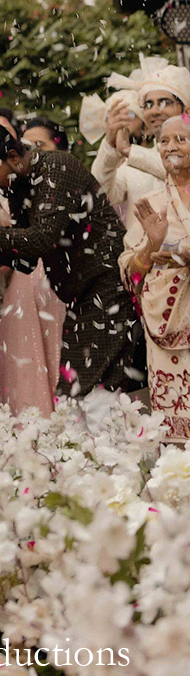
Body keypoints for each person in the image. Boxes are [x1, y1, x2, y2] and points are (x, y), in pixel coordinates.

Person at [0, 121, 144, 399]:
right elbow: (26, 260)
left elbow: (41, 239)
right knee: (74, 394)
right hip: (80, 296)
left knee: (94, 395)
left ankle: (110, 443)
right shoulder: (19, 181)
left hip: (106, 288)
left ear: (14, 157)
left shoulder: (56, 167)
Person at [121, 113, 190, 441]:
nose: (171, 147)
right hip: (167, 323)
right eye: (164, 140)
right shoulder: (152, 205)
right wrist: (150, 246)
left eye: (181, 138)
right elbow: (130, 273)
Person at [0, 121, 66, 414]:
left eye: (41, 146)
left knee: (59, 358)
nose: (32, 154)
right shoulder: (12, 192)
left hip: (60, 285)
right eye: (27, 147)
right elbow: (3, 264)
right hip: (22, 289)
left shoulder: (71, 187)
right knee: (25, 364)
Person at [92, 65, 190, 223]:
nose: (155, 110)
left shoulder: (135, 156)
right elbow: (101, 193)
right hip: (141, 248)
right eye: (149, 104)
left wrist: (130, 151)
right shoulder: (131, 164)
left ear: (186, 110)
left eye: (164, 102)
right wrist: (109, 146)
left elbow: (179, 172)